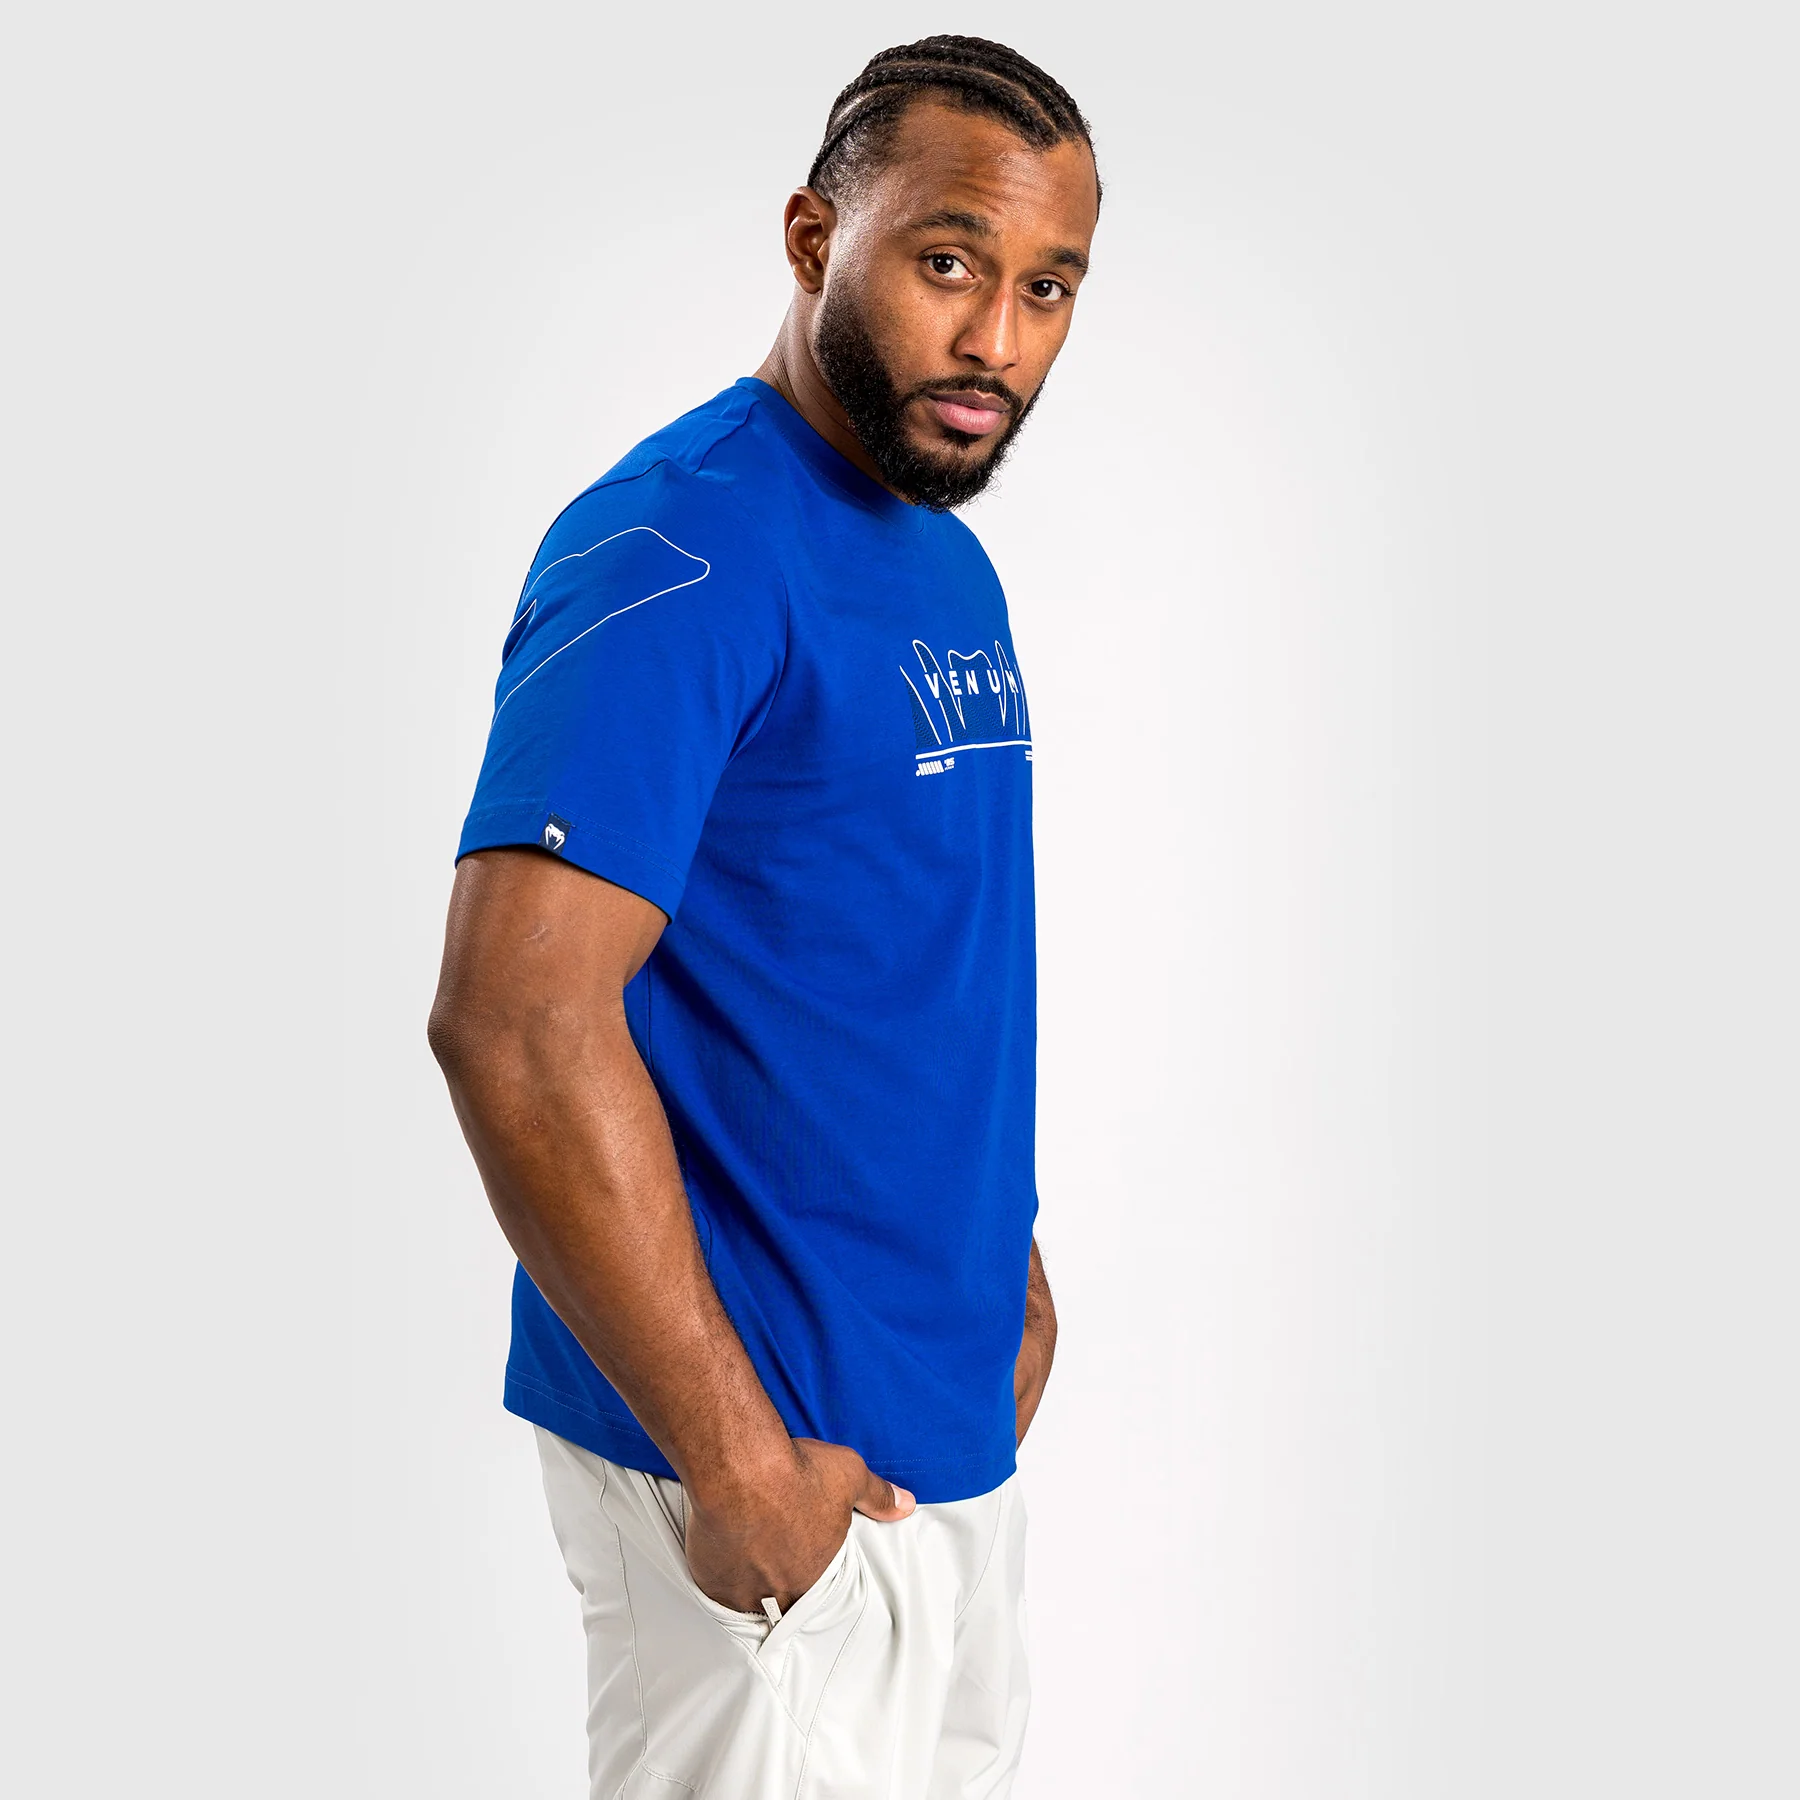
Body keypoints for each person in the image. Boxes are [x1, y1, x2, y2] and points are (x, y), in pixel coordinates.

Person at [428, 35, 1101, 1798]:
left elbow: (896, 955)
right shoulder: (680, 550)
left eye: (1048, 288)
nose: (997, 339)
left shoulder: (943, 553)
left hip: (937, 1451)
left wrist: (1003, 1271)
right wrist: (737, 1466)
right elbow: (515, 1024)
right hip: (765, 1493)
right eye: (947, 262)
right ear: (815, 239)